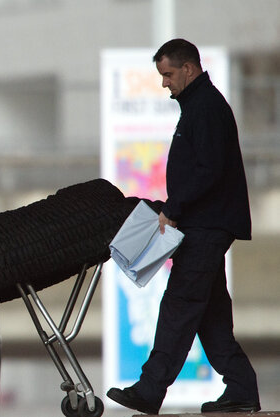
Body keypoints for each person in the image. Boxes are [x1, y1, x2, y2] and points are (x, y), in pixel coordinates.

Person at [107, 39, 260, 415]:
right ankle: (241, 389)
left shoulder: (205, 108)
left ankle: (149, 388)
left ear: (188, 69)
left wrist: (173, 209)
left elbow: (208, 169)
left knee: (179, 306)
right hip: (206, 225)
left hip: (205, 228)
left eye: (168, 74)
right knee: (210, 317)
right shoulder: (200, 106)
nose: (164, 83)